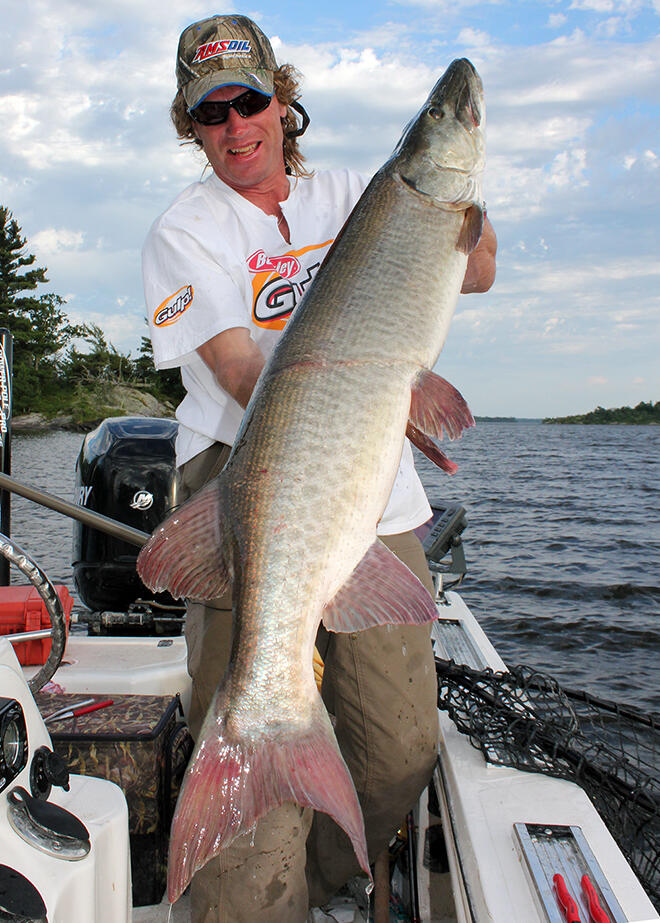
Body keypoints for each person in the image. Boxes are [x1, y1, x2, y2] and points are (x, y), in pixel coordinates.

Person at [142, 14, 496, 923]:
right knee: (248, 796)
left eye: (249, 101)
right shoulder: (182, 231)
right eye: (211, 112)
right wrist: (358, 393)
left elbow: (478, 268)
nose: (235, 126)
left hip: (374, 486)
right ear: (193, 125)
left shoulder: (356, 192)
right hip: (245, 484)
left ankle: (315, 882)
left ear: (283, 100)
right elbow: (238, 369)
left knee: (401, 744)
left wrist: (464, 211)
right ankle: (255, 895)